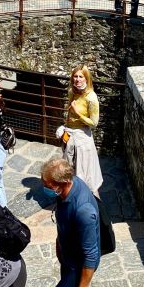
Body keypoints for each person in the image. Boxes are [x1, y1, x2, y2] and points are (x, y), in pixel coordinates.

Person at [38, 158, 109, 287]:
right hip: (68, 258)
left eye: (48, 186)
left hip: (77, 268)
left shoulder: (84, 210)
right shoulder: (69, 185)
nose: (44, 189)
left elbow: (91, 255)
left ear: (63, 183)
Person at [59, 66, 102, 195]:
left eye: (80, 76)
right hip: (70, 136)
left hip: (83, 139)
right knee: (69, 168)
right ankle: (70, 194)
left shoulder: (91, 98)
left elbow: (94, 123)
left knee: (83, 171)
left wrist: (78, 114)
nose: (77, 79)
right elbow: (69, 115)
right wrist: (64, 128)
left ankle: (84, 197)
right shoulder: (72, 92)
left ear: (86, 78)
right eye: (75, 76)